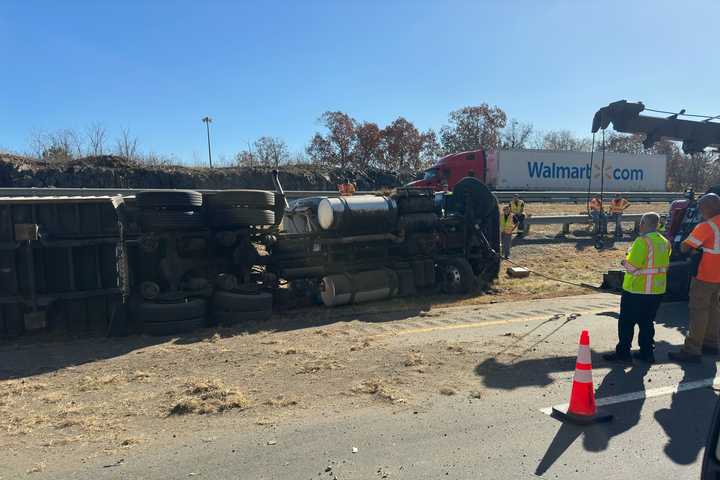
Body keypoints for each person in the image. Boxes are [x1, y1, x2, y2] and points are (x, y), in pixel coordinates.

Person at [603, 212, 671, 364]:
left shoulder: (642, 241)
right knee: (647, 322)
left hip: (636, 289)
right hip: (656, 291)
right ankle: (647, 353)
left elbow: (632, 267)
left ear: (642, 224)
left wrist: (624, 260)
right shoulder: (665, 242)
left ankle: (623, 353)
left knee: (626, 322)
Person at [668, 193, 720, 363]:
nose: (698, 210)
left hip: (704, 275)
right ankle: (711, 343)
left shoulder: (706, 226)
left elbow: (684, 247)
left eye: (700, 207)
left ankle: (692, 349)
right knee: (714, 309)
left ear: (707, 208)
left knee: (699, 311)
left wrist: (687, 246)